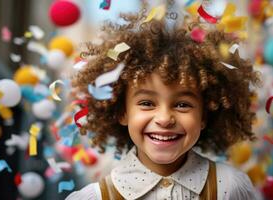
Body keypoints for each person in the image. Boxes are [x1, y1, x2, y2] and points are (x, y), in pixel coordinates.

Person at [66, 6, 261, 200]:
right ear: (121, 112)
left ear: (204, 115)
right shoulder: (94, 197)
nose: (165, 119)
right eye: (146, 103)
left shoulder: (231, 188)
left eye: (182, 104)